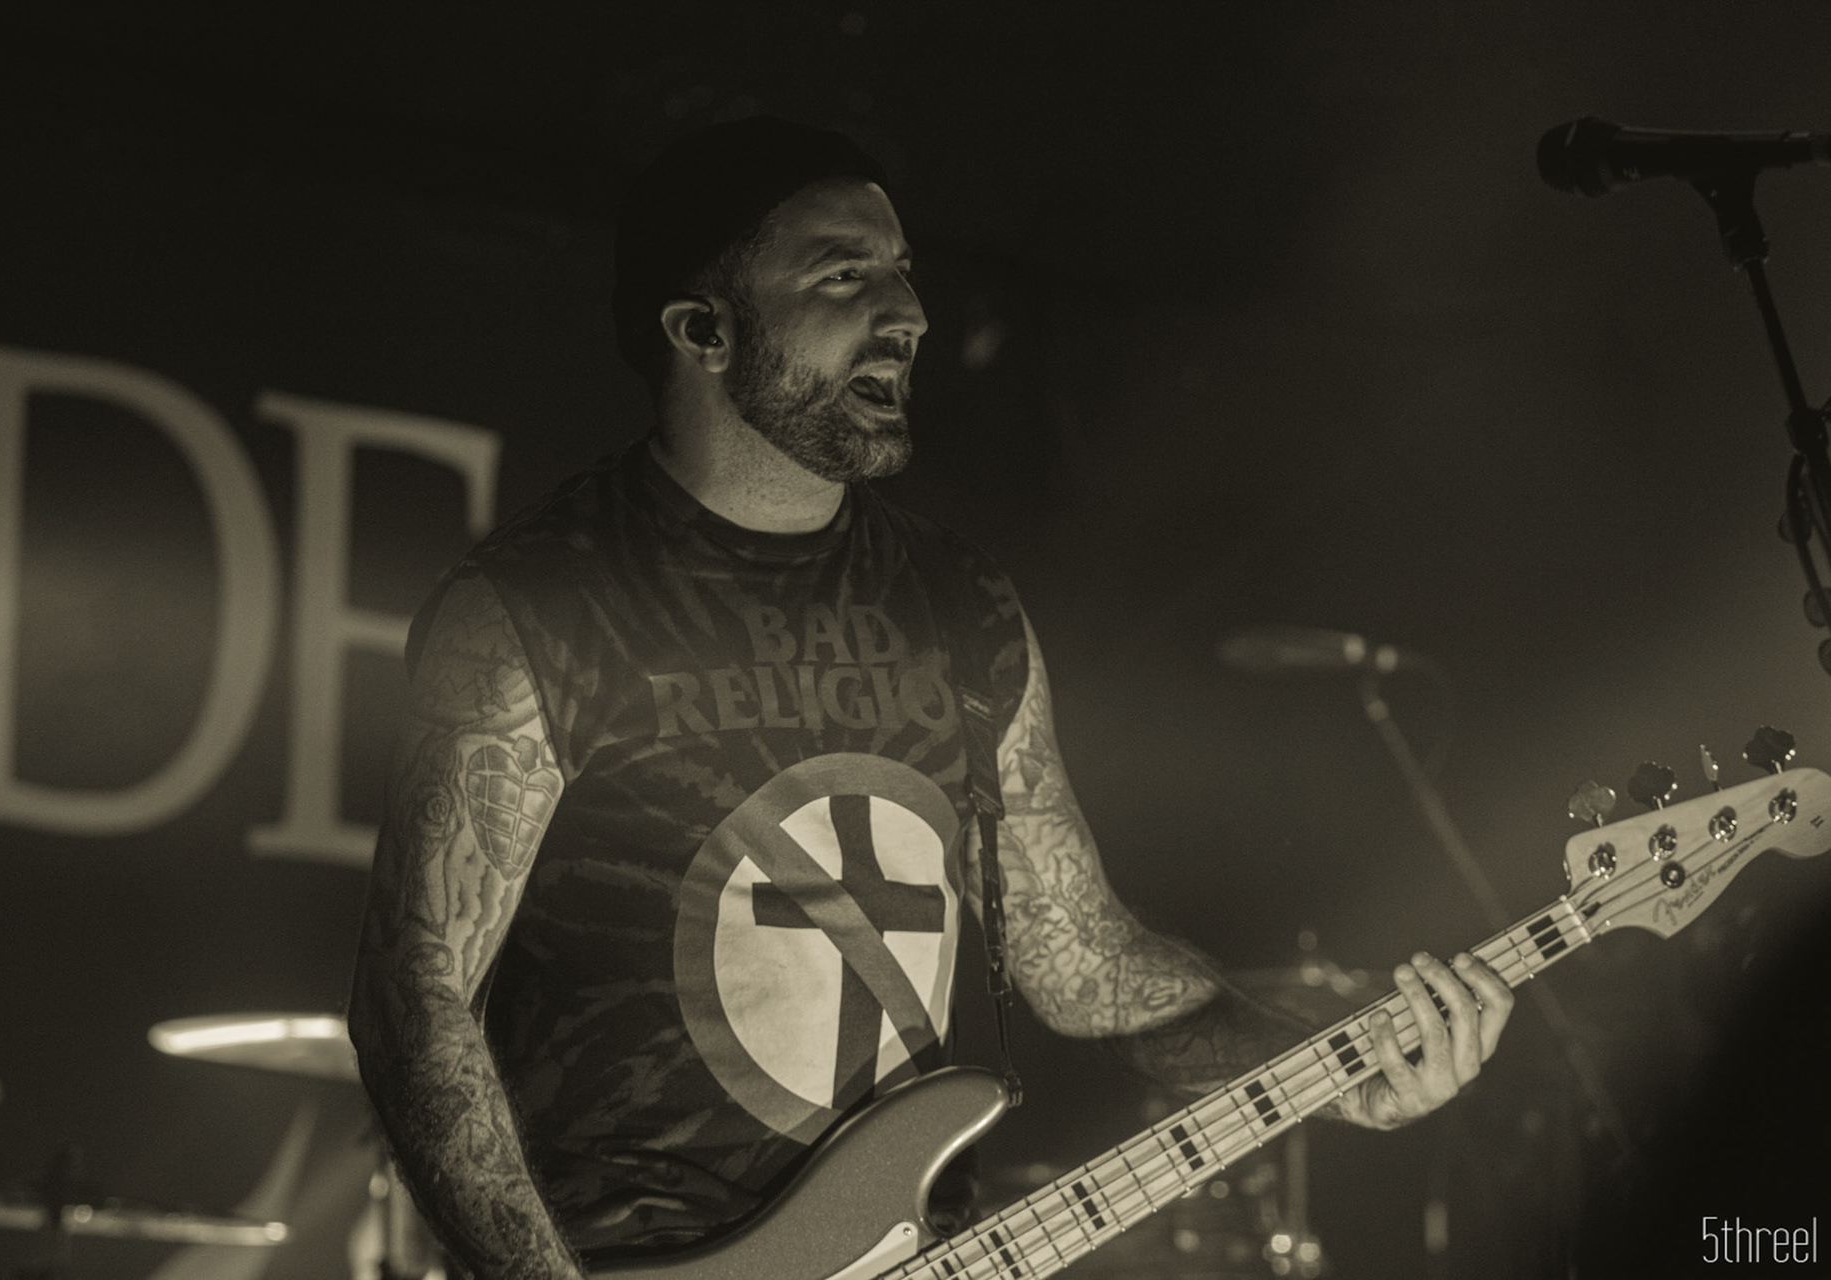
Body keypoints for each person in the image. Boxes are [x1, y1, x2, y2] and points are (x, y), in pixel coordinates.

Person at [347, 116, 1515, 1280]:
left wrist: (1339, 1072)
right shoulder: (539, 607)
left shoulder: (962, 608)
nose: (907, 313)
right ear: (703, 330)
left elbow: (1087, 965)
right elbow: (416, 1003)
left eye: (902, 271)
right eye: (843, 274)